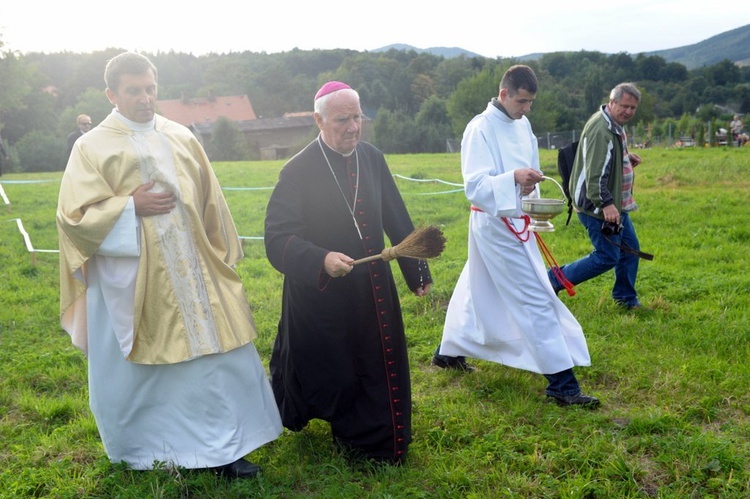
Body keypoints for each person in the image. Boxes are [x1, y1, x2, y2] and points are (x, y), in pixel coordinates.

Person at [56, 52, 282, 479]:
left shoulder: (181, 135)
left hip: (197, 274)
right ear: (112, 94)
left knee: (216, 359)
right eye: (133, 91)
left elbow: (211, 198)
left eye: (150, 88)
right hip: (134, 282)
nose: (145, 98)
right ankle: (147, 448)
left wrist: (220, 255)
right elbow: (73, 218)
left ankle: (225, 448)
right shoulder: (91, 146)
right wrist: (127, 208)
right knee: (149, 369)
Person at [264, 81, 433, 464]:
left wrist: (416, 270)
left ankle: (374, 440)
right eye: (343, 119)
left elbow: (396, 214)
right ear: (318, 121)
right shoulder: (297, 170)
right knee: (333, 368)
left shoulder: (371, 158)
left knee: (376, 364)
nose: (354, 127)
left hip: (372, 287)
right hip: (320, 293)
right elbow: (277, 238)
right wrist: (320, 259)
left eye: (358, 117)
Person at [433, 65, 599, 408]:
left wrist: (532, 190)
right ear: (504, 93)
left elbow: (530, 174)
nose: (526, 109)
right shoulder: (479, 129)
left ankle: (447, 353)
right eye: (522, 101)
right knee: (535, 296)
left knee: (476, 287)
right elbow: (474, 187)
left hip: (520, 222)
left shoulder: (523, 125)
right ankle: (562, 385)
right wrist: (513, 178)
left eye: (531, 102)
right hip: (494, 225)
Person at [548, 83, 646, 310]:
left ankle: (625, 298)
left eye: (633, 108)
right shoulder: (601, 129)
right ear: (612, 102)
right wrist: (607, 204)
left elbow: (602, 161)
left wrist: (624, 160)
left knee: (630, 251)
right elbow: (594, 176)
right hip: (598, 207)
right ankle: (551, 281)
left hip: (615, 206)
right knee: (606, 257)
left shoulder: (614, 125)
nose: (628, 111)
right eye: (624, 106)